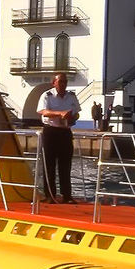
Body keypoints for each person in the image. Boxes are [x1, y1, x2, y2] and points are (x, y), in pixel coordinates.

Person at [37, 73, 81, 203]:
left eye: (65, 82)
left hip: (65, 131)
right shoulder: (47, 96)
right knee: (49, 164)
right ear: (54, 83)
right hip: (51, 131)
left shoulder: (71, 96)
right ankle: (50, 195)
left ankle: (67, 195)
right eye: (60, 82)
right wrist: (60, 114)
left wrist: (72, 118)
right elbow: (43, 111)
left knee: (65, 164)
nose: (63, 84)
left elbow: (77, 112)